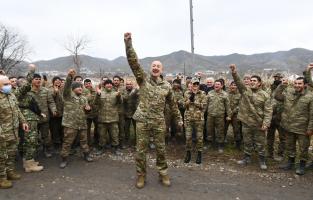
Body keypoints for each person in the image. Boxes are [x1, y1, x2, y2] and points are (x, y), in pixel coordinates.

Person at [124, 32, 182, 189]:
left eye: (158, 66)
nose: (155, 67)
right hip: (142, 120)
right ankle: (141, 175)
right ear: (150, 69)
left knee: (161, 149)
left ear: (162, 70)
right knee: (140, 151)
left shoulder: (167, 86)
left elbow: (173, 104)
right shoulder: (143, 79)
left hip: (158, 121)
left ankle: (163, 173)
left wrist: (179, 119)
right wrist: (128, 43)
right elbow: (133, 62)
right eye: (153, 66)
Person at [230, 64, 272, 170]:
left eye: (255, 81)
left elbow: (268, 111)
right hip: (246, 122)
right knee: (247, 141)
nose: (252, 82)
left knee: (260, 143)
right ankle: (247, 158)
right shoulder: (245, 91)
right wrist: (234, 72)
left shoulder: (265, 95)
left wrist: (266, 124)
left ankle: (262, 160)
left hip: (258, 123)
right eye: (251, 80)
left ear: (259, 83)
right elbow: (239, 82)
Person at [275, 65, 313, 175]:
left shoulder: (310, 97)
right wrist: (282, 86)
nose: (297, 85)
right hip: (288, 126)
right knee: (290, 146)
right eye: (295, 83)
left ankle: (301, 165)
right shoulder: (289, 92)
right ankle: (290, 163)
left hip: (303, 129)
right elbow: (277, 96)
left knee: (303, 148)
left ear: (305, 85)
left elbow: (312, 115)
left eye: (299, 84)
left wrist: (310, 129)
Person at [59, 69, 93, 168]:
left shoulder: (84, 98)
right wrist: (70, 77)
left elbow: (86, 110)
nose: (80, 88)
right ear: (73, 89)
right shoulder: (68, 96)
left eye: (81, 87)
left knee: (84, 141)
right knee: (67, 142)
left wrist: (88, 109)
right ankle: (64, 159)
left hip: (82, 124)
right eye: (78, 87)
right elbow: (66, 88)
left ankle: (86, 155)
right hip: (70, 124)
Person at [0, 74, 29, 189]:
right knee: (1, 156)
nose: (9, 86)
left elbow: (17, 110)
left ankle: (9, 172)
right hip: (2, 134)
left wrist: (23, 122)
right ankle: (1, 178)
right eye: (6, 84)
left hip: (13, 131)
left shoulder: (11, 95)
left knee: (11, 153)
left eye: (9, 84)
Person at [29, 72, 57, 158]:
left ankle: (46, 150)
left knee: (46, 136)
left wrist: (53, 110)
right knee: (33, 137)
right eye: (36, 79)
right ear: (32, 80)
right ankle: (34, 151)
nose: (38, 80)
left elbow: (51, 102)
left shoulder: (45, 90)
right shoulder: (28, 91)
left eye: (39, 79)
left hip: (44, 118)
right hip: (32, 118)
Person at [94, 79, 121, 154]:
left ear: (112, 85)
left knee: (114, 135)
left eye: (110, 84)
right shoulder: (100, 93)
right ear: (104, 85)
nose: (109, 85)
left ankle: (115, 148)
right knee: (102, 135)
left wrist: (119, 96)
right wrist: (98, 94)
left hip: (113, 119)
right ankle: (101, 148)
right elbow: (95, 103)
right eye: (107, 84)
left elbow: (120, 102)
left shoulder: (116, 93)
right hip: (102, 119)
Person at [183, 77, 207, 164]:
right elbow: (184, 105)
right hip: (188, 118)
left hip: (199, 119)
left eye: (197, 84)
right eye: (194, 84)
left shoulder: (202, 93)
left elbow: (204, 106)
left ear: (199, 85)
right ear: (191, 85)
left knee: (199, 138)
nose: (195, 86)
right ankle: (188, 153)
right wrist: (190, 99)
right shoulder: (187, 93)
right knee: (188, 137)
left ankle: (199, 154)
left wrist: (195, 102)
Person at [206, 80, 231, 153]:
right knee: (209, 130)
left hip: (220, 116)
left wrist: (229, 115)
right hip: (210, 115)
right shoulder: (210, 93)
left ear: (221, 86)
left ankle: (220, 145)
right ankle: (209, 143)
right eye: (215, 84)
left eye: (218, 84)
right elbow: (206, 104)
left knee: (220, 131)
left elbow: (228, 106)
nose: (216, 85)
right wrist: (202, 113)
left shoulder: (225, 94)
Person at [267, 73, 285, 161]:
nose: (277, 79)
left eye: (279, 77)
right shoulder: (269, 88)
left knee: (282, 137)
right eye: (276, 77)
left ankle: (280, 154)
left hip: (281, 117)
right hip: (270, 117)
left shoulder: (286, 89)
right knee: (270, 136)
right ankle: (269, 153)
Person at [225, 81, 242, 150]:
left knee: (236, 129)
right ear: (230, 86)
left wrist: (232, 113)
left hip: (235, 115)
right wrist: (228, 113)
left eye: (235, 85)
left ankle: (238, 144)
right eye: (232, 85)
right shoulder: (226, 94)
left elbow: (239, 105)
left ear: (237, 87)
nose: (233, 86)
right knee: (224, 128)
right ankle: (222, 142)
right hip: (227, 115)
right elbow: (225, 104)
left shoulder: (240, 95)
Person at [83, 79, 99, 148]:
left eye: (89, 83)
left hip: (96, 113)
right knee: (87, 130)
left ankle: (97, 141)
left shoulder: (95, 91)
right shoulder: (82, 91)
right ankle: (88, 143)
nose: (88, 85)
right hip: (86, 114)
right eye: (86, 84)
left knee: (97, 128)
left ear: (91, 84)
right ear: (84, 85)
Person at [123, 79, 139, 147]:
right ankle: (127, 142)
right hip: (126, 113)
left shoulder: (137, 91)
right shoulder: (123, 91)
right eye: (127, 84)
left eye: (130, 84)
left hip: (135, 113)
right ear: (125, 85)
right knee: (126, 129)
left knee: (137, 129)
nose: (129, 85)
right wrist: (134, 91)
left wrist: (136, 90)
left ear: (132, 85)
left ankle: (136, 142)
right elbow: (125, 98)